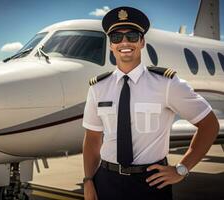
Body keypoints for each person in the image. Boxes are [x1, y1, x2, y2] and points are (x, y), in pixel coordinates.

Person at [82, 6, 219, 200]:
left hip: (151, 183)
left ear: (142, 41)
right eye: (116, 38)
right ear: (111, 45)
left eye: (131, 36)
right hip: (106, 181)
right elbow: (92, 138)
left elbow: (209, 125)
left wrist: (182, 169)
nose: (124, 42)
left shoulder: (167, 83)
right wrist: (88, 180)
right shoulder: (98, 88)